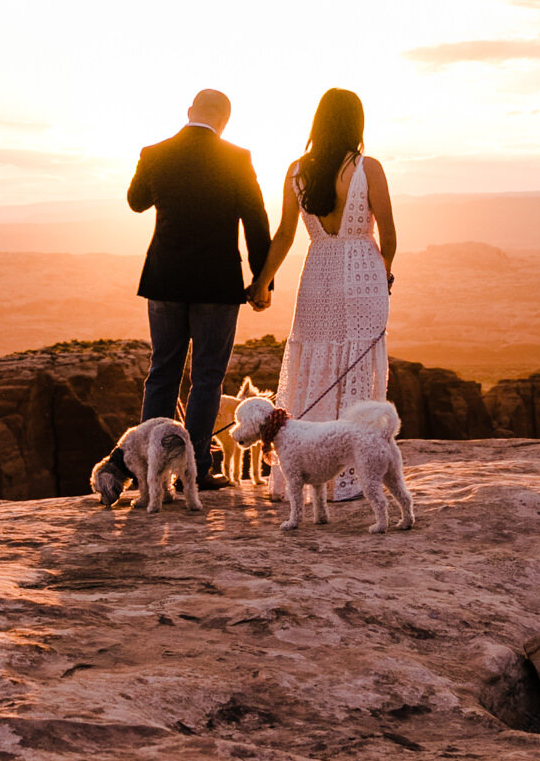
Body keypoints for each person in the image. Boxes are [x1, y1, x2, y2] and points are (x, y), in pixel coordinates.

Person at [250, 87, 397, 500]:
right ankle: (352, 474)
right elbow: (388, 231)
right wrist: (383, 274)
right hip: (363, 276)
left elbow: (283, 234)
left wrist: (262, 282)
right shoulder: (369, 168)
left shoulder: (297, 171)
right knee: (357, 370)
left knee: (314, 367)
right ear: (357, 123)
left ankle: (307, 472)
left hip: (317, 274)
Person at [128, 89, 272, 492]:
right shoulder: (237, 158)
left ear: (189, 112)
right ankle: (196, 471)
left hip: (165, 279)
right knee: (207, 377)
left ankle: (148, 468)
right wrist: (262, 281)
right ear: (225, 120)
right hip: (216, 283)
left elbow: (136, 202)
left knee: (162, 373)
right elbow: (256, 221)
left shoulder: (155, 152)